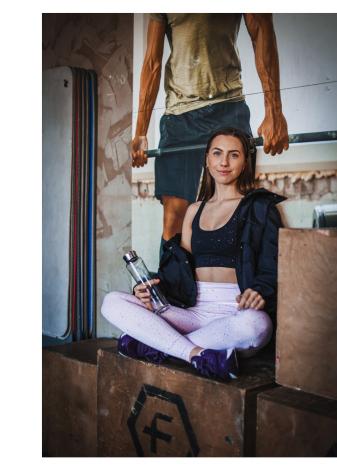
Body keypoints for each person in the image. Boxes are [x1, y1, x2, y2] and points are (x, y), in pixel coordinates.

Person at [101, 127, 286, 380]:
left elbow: (275, 263)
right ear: (207, 160)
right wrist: (151, 290)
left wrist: (261, 291)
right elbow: (181, 272)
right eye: (217, 153)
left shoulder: (261, 207)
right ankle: (195, 354)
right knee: (113, 301)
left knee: (257, 325)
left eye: (233, 155)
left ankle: (158, 345)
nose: (224, 162)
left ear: (245, 162)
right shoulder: (194, 210)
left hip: (235, 315)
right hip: (192, 313)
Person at [131, 13, 289, 257]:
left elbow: (261, 32)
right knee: (174, 217)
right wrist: (141, 130)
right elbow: (152, 61)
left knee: (237, 210)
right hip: (179, 116)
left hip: (228, 106)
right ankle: (175, 282)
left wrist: (274, 113)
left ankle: (239, 280)